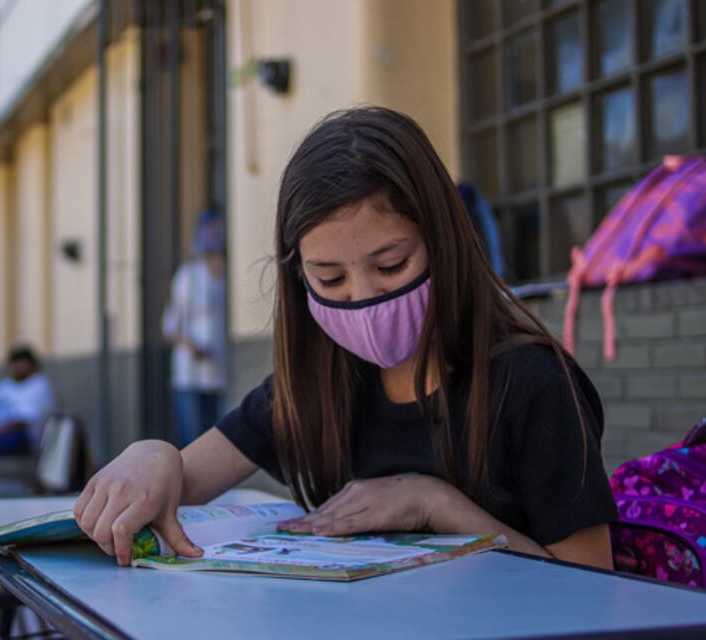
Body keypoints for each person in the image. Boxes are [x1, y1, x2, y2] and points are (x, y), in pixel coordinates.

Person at [73, 106, 618, 570]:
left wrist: (435, 505)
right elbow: (182, 476)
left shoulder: (533, 383)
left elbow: (592, 583)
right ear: (298, 277)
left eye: (392, 265)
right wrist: (154, 454)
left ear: (445, 241)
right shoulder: (316, 384)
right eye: (330, 279)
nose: (364, 299)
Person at [162, 210, 227, 446]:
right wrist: (191, 346)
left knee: (219, 442)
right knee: (193, 441)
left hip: (220, 372)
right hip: (190, 373)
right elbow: (170, 324)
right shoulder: (188, 276)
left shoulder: (227, 277)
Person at [0, 345, 55, 457]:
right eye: (12, 363)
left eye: (18, 363)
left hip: (21, 438)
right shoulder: (9, 384)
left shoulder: (39, 385)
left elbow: (22, 422)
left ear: (29, 364)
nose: (14, 367)